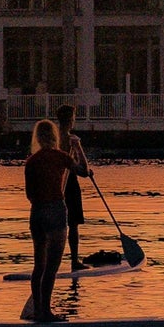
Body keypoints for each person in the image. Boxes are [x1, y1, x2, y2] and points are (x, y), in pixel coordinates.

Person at [22, 117, 86, 323]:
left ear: (38, 138)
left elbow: (29, 194)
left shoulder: (31, 161)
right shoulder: (61, 157)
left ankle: (39, 310)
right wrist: (78, 147)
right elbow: (84, 171)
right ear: (54, 137)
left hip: (37, 213)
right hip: (55, 211)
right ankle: (46, 312)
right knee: (52, 267)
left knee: (38, 265)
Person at [56, 103, 92, 270]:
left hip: (54, 183)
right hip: (69, 184)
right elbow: (84, 171)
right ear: (70, 120)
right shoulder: (71, 140)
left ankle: (51, 262)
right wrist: (79, 147)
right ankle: (74, 261)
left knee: (56, 226)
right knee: (73, 224)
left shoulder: (52, 138)